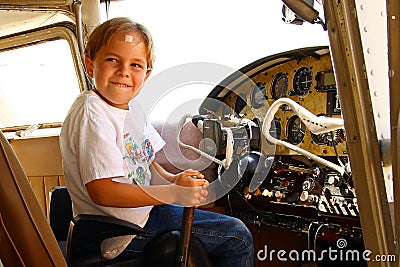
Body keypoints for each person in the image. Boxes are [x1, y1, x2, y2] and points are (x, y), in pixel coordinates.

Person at [60, 17, 254, 266]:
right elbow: (102, 190)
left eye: (136, 65)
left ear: (147, 74)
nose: (124, 72)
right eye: (112, 60)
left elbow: (147, 162)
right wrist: (173, 193)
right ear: (90, 65)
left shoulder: (131, 108)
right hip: (119, 233)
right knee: (236, 236)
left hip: (140, 217)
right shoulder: (93, 112)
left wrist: (173, 180)